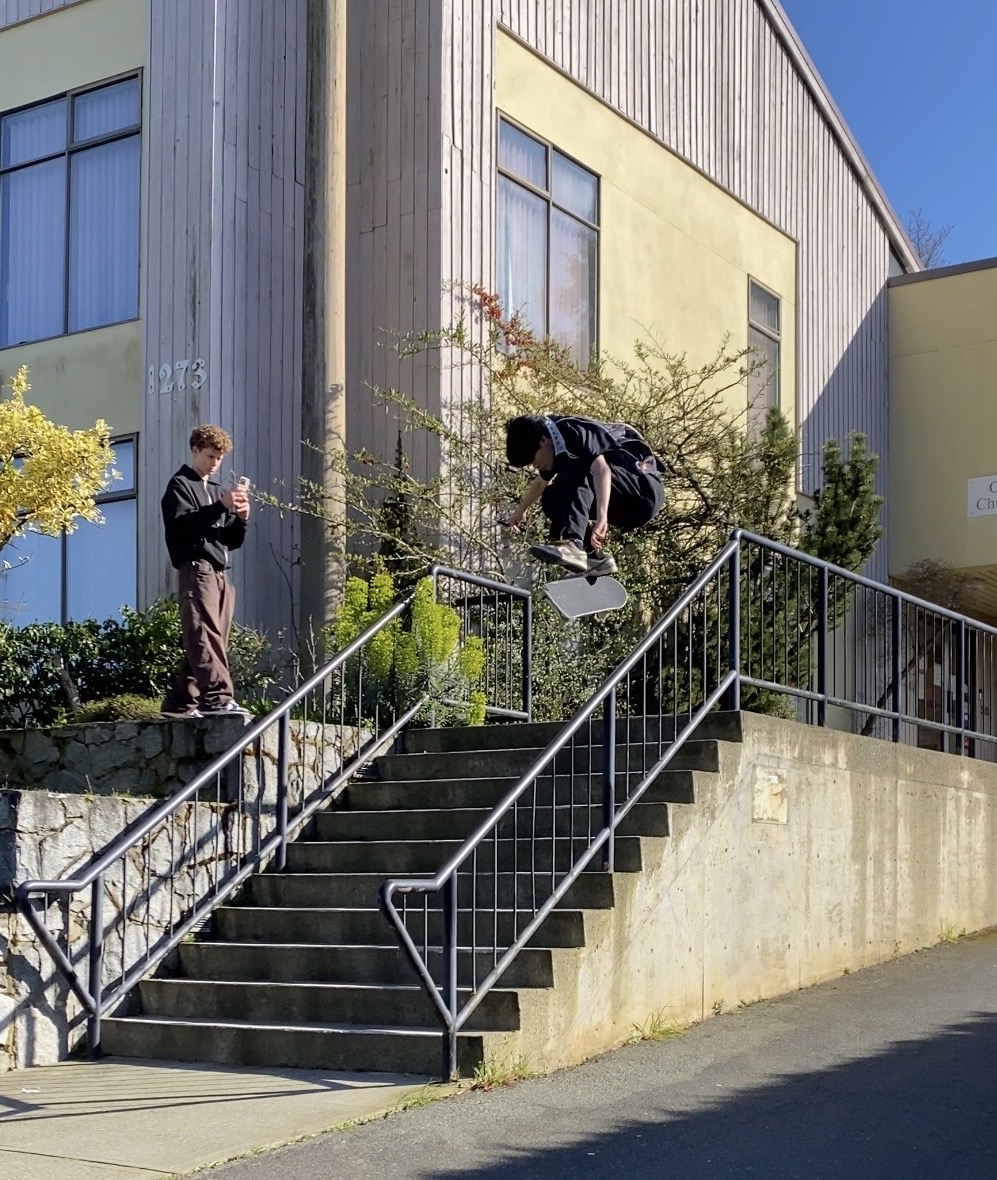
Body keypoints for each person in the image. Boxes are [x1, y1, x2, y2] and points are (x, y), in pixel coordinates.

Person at [160, 424, 251, 718]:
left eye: (219, 458)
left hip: (219, 572)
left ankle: (180, 702)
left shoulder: (215, 491)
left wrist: (241, 519)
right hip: (196, 569)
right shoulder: (180, 486)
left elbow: (230, 540)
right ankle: (217, 699)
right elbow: (183, 526)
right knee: (205, 634)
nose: (214, 463)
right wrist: (222, 505)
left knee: (213, 637)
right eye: (210, 456)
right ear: (195, 450)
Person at [504, 414, 665, 576]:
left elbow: (601, 470)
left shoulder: (571, 430)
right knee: (551, 497)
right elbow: (540, 483)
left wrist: (602, 517)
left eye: (533, 460)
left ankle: (573, 545)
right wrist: (521, 509)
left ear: (543, 441)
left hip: (643, 490)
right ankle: (594, 559)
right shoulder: (554, 448)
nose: (534, 465)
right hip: (623, 500)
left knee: (576, 467)